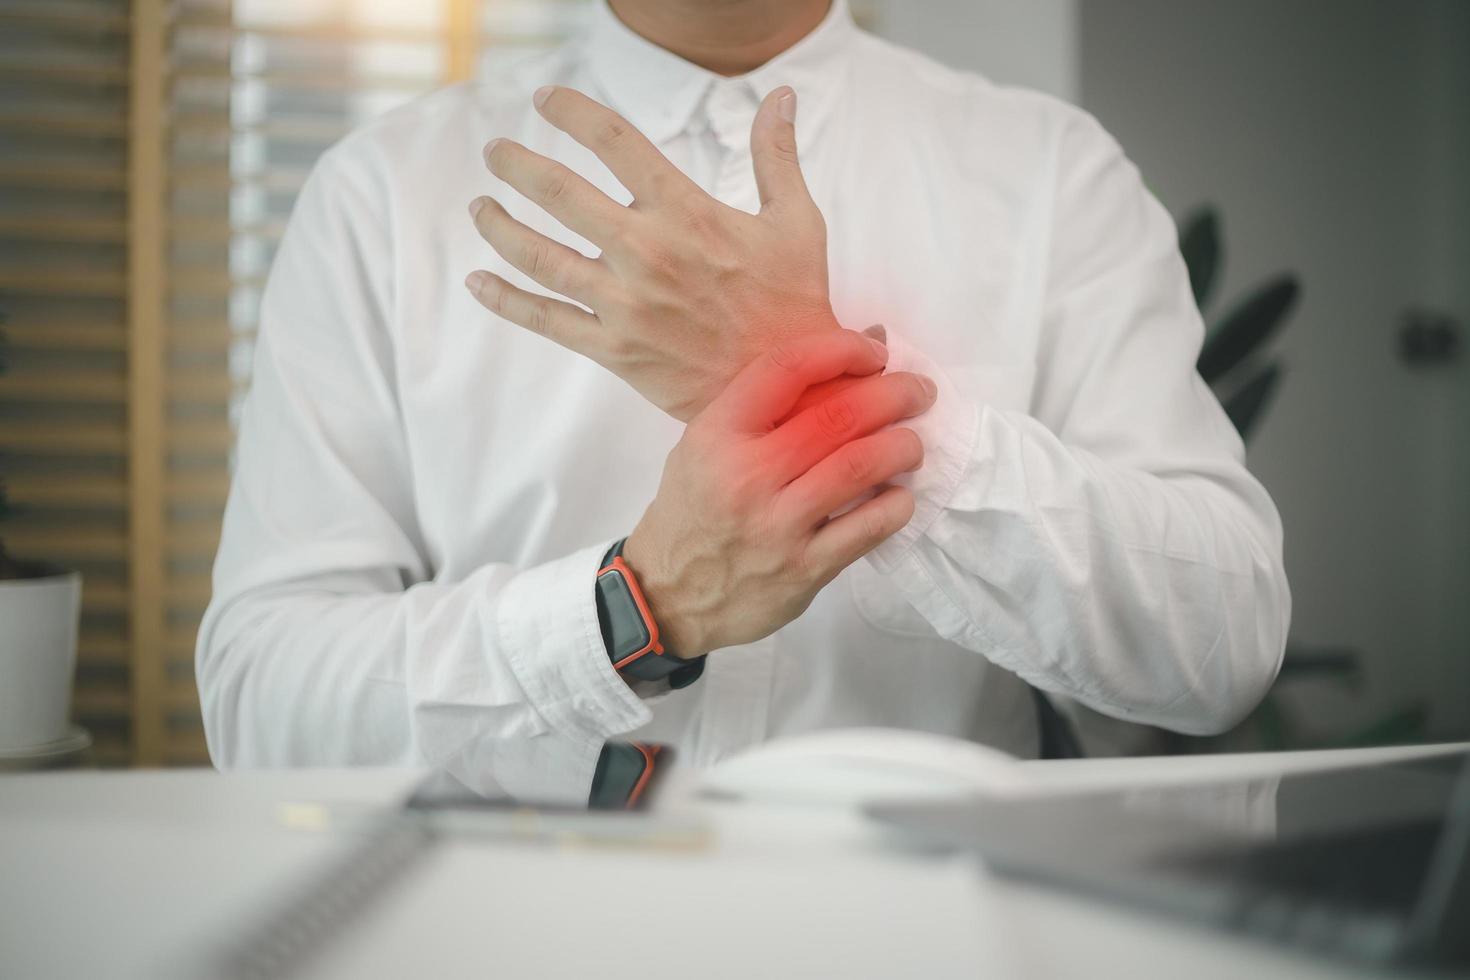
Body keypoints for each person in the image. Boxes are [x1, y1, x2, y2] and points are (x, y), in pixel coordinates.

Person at [197, 0, 1291, 767]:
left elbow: (1225, 633)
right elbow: (262, 696)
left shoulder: (1055, 174)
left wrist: (812, 381)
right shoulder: (379, 197)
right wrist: (631, 611)